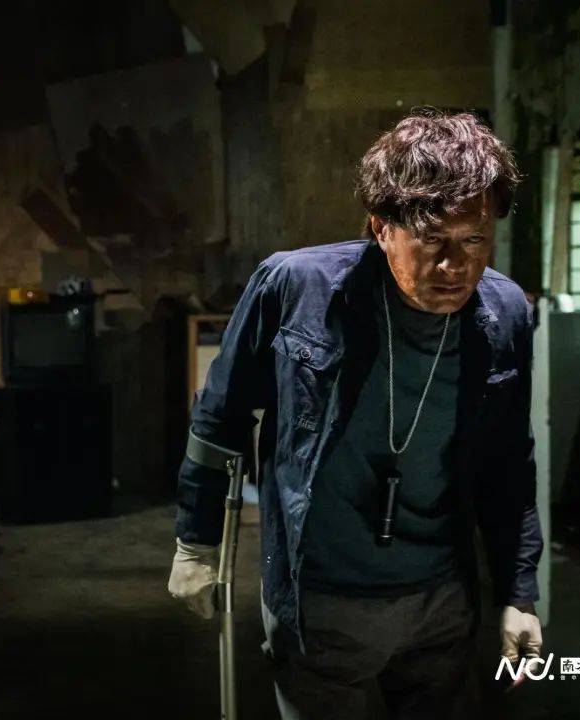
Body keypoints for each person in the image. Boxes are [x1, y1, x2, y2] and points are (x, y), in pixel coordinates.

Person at [167, 109, 544, 719]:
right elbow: (220, 418)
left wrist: (519, 592)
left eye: (475, 240)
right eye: (433, 241)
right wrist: (197, 540)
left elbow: (509, 467)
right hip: (321, 600)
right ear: (381, 228)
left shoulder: (505, 314)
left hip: (441, 600)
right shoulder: (296, 288)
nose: (455, 266)